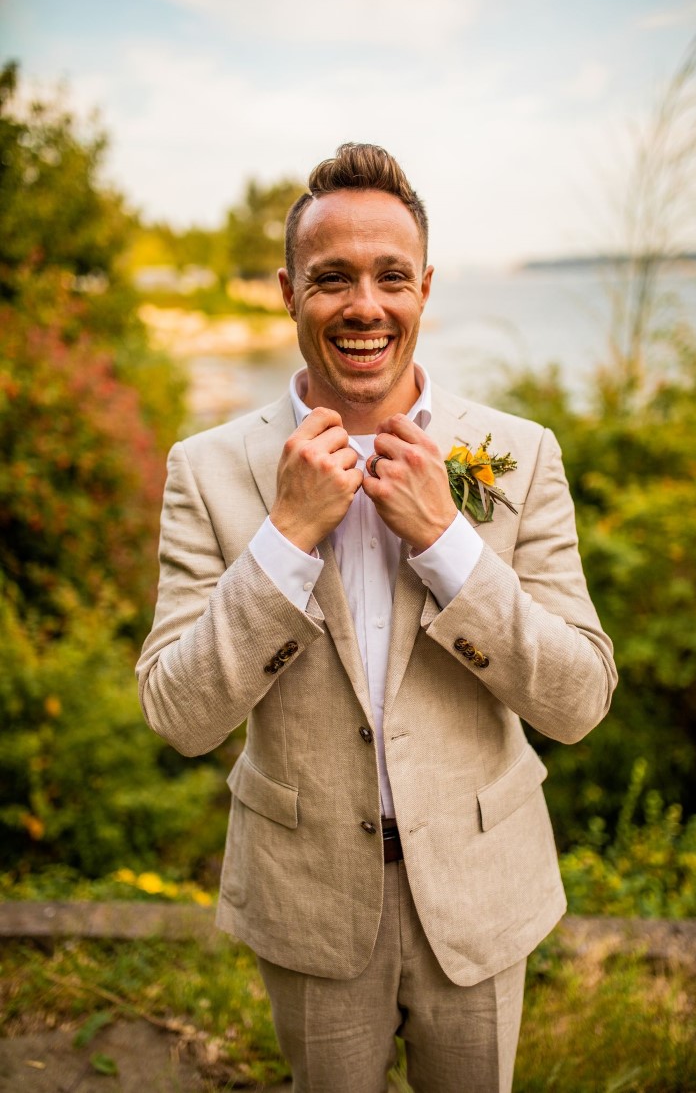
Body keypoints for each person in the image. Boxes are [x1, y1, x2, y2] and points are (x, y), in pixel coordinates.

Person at [136, 142, 617, 1093]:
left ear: (424, 289)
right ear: (288, 293)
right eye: (332, 278)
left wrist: (447, 543)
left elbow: (577, 702)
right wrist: (282, 539)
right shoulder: (205, 468)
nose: (365, 305)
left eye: (391, 276)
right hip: (307, 898)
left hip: (480, 891)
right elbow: (178, 716)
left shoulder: (517, 455)